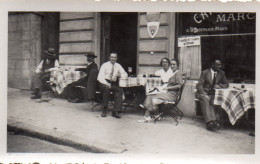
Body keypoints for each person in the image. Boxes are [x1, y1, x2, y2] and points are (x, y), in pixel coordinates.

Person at [196, 59, 229, 131]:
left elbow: (226, 84)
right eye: (218, 65)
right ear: (212, 64)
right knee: (206, 100)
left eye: (220, 65)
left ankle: (213, 121)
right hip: (203, 93)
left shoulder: (221, 73)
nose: (219, 66)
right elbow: (199, 85)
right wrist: (204, 94)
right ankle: (210, 122)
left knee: (213, 101)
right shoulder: (205, 73)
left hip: (213, 94)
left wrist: (219, 86)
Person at [97, 52, 128, 119]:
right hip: (104, 82)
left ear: (116, 58)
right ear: (109, 58)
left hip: (113, 83)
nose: (113, 58)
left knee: (119, 90)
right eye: (112, 57)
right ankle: (104, 109)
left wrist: (120, 75)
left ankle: (115, 111)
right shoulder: (105, 65)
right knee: (106, 89)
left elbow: (125, 74)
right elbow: (100, 77)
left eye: (115, 57)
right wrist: (106, 83)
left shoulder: (118, 65)